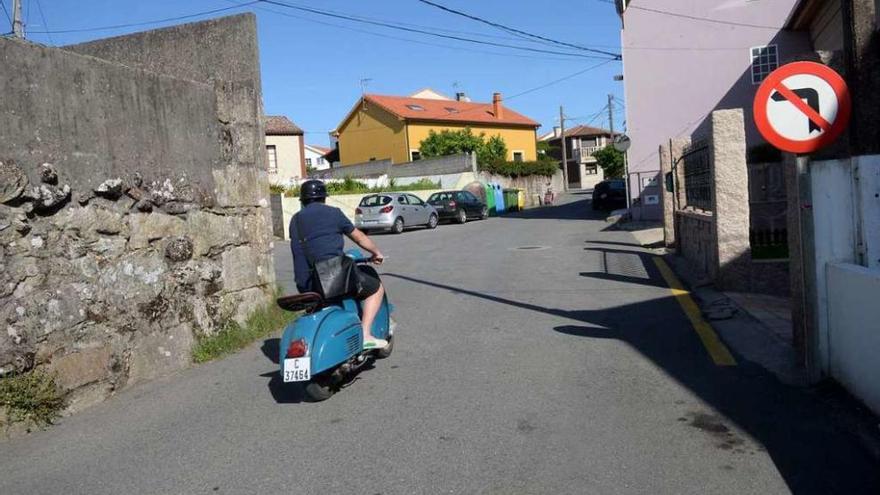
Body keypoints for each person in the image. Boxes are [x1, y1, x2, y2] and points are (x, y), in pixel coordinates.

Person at [289, 180, 388, 349]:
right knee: (376, 288)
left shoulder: (295, 220)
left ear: (303, 200)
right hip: (332, 278)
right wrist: (376, 253)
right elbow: (359, 237)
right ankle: (365, 334)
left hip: (306, 283)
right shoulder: (333, 213)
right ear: (323, 198)